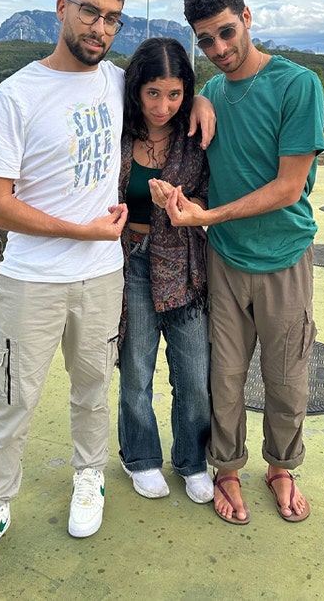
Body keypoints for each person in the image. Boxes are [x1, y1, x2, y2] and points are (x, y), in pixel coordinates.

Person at [0, 0, 213, 581]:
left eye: (112, 19)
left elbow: (164, 86)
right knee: (14, 400)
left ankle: (90, 478)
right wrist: (86, 230)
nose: (101, 28)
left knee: (95, 390)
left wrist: (200, 97)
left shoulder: (116, 83)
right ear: (62, 8)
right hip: (32, 280)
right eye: (90, 12)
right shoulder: (16, 94)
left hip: (102, 278)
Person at [154, 0, 324, 526]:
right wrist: (202, 95)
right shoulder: (211, 93)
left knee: (287, 375)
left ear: (247, 17)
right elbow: (172, 109)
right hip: (225, 262)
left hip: (284, 258)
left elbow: (288, 187)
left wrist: (208, 217)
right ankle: (226, 468)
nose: (219, 48)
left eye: (227, 32)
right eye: (206, 40)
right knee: (222, 379)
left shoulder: (298, 85)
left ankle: (281, 467)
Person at [116, 37, 213, 504]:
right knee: (136, 368)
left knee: (193, 373)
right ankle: (140, 456)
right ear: (137, 88)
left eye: (175, 94)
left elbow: (210, 198)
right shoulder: (117, 129)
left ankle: (192, 460)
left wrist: (183, 204)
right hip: (130, 259)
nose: (163, 105)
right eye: (153, 92)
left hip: (184, 265)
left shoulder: (194, 136)